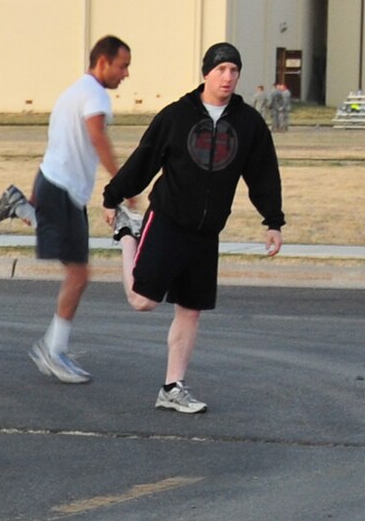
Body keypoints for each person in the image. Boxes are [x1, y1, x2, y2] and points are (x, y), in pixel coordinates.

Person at [102, 42, 284, 414]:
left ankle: (172, 387)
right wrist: (114, 196)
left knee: (190, 309)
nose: (228, 77)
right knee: (142, 301)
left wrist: (273, 222)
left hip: (206, 232)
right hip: (168, 219)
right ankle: (126, 235)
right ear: (206, 73)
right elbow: (145, 158)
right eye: (221, 70)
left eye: (234, 70)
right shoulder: (177, 116)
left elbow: (263, 173)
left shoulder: (248, 123)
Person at [0, 35, 135, 383]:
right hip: (62, 191)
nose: (126, 74)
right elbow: (98, 137)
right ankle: (52, 351)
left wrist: (36, 195)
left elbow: (55, 147)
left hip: (56, 186)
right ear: (103, 62)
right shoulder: (94, 95)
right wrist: (124, 184)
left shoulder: (71, 93)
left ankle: (20, 205)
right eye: (122, 65)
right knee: (79, 275)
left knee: (76, 270)